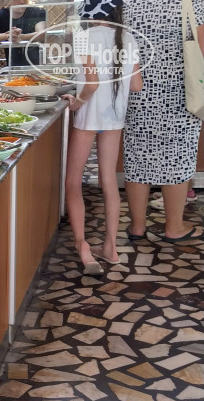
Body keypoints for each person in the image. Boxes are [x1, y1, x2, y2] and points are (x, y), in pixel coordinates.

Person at [61, 0, 142, 274]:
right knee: (109, 181)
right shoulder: (128, 37)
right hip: (114, 117)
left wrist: (77, 102)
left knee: (73, 182)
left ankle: (82, 245)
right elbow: (136, 85)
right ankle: (111, 248)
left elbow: (92, 83)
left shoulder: (84, 36)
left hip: (88, 117)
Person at [123, 1, 204, 243]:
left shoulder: (127, 2)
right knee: (178, 155)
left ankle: (137, 226)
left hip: (137, 90)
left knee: (137, 155)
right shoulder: (192, 2)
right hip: (181, 91)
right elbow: (200, 46)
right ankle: (175, 227)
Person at [0, 0, 46, 67]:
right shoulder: (0, 15)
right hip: (13, 67)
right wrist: (8, 36)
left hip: (38, 65)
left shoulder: (37, 12)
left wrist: (20, 37)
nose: (22, 2)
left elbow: (42, 35)